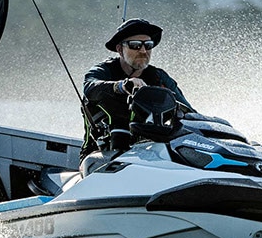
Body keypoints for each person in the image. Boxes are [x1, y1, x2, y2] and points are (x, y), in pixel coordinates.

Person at [81, 18, 193, 156]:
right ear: (120, 49)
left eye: (148, 45)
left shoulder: (159, 77)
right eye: (135, 45)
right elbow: (89, 87)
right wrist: (121, 86)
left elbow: (190, 113)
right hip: (99, 156)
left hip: (148, 156)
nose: (143, 51)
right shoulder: (103, 71)